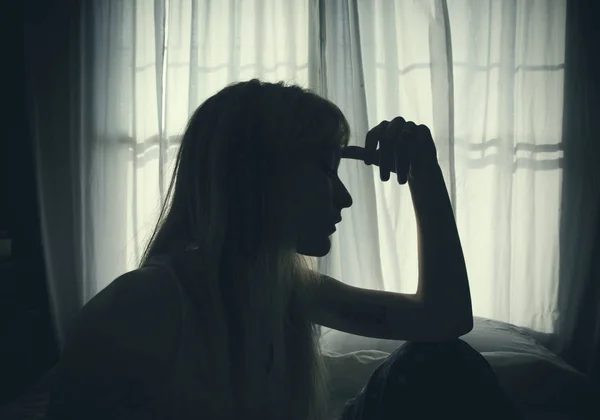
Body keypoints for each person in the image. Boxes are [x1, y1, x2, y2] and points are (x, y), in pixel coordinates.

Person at [44, 79, 519, 420]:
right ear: (259, 177)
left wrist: (424, 174)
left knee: (440, 363)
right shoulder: (142, 305)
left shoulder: (288, 289)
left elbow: (444, 320)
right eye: (325, 169)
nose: (345, 197)